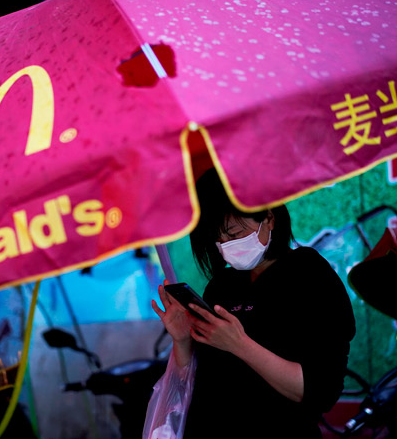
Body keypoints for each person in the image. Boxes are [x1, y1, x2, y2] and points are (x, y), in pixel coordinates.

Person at [151, 167, 356, 438]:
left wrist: (240, 344)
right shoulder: (222, 285)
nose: (226, 246)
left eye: (235, 234)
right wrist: (182, 339)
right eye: (218, 239)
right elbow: (197, 378)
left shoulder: (310, 275)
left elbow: (318, 393)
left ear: (269, 218)